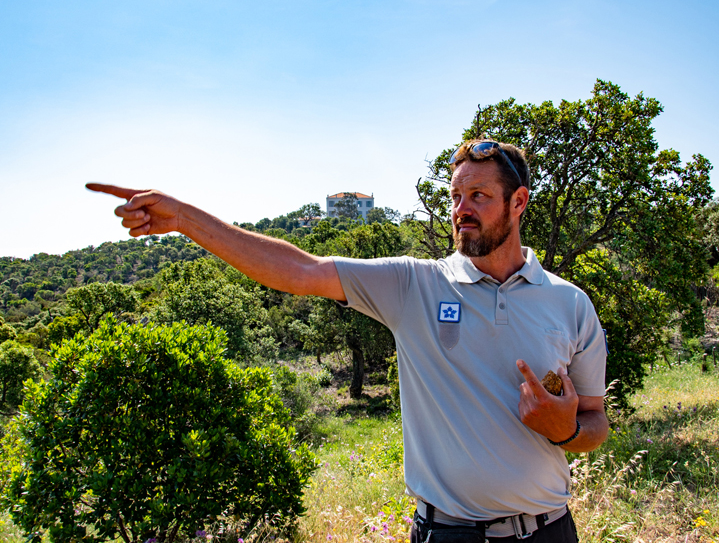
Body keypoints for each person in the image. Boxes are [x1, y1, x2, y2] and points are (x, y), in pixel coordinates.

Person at [87, 139, 608, 542]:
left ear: (518, 202)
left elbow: (594, 421)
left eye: (478, 196)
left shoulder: (569, 304)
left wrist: (565, 431)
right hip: (448, 535)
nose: (460, 209)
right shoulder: (415, 285)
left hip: (548, 530)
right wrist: (184, 219)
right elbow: (298, 268)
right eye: (455, 196)